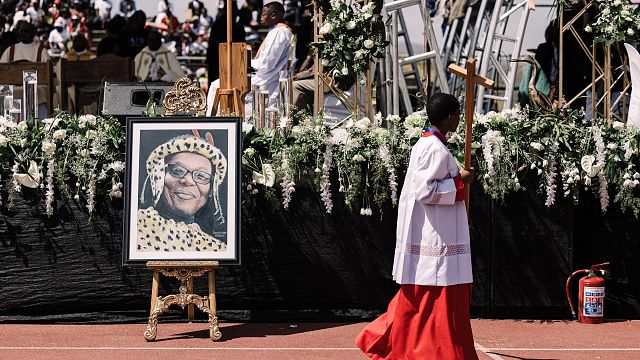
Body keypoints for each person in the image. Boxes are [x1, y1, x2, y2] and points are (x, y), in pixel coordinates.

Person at [355, 93, 477, 360]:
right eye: (457, 114)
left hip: (434, 228)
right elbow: (425, 191)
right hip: (435, 232)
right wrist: (460, 182)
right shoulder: (434, 148)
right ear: (449, 117)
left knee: (423, 295)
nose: (459, 119)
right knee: (433, 293)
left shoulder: (429, 144)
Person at [138, 132, 228, 252]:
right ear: (158, 177)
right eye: (177, 170)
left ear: (211, 190)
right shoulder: (136, 227)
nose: (188, 181)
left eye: (201, 176)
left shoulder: (217, 249)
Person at [206, 0, 293, 115]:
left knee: (216, 85)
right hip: (267, 75)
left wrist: (243, 64)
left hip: (266, 78)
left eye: (263, 15)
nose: (260, 18)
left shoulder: (279, 32)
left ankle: (218, 122)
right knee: (217, 84)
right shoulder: (279, 31)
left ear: (273, 16)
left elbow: (267, 64)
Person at [0, 21, 49, 118]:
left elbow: (49, 72)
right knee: (3, 90)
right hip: (12, 86)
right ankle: (9, 123)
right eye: (21, 31)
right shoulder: (10, 50)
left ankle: (36, 123)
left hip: (36, 88)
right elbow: (2, 71)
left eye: (26, 31)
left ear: (33, 33)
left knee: (40, 90)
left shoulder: (41, 51)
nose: (22, 33)